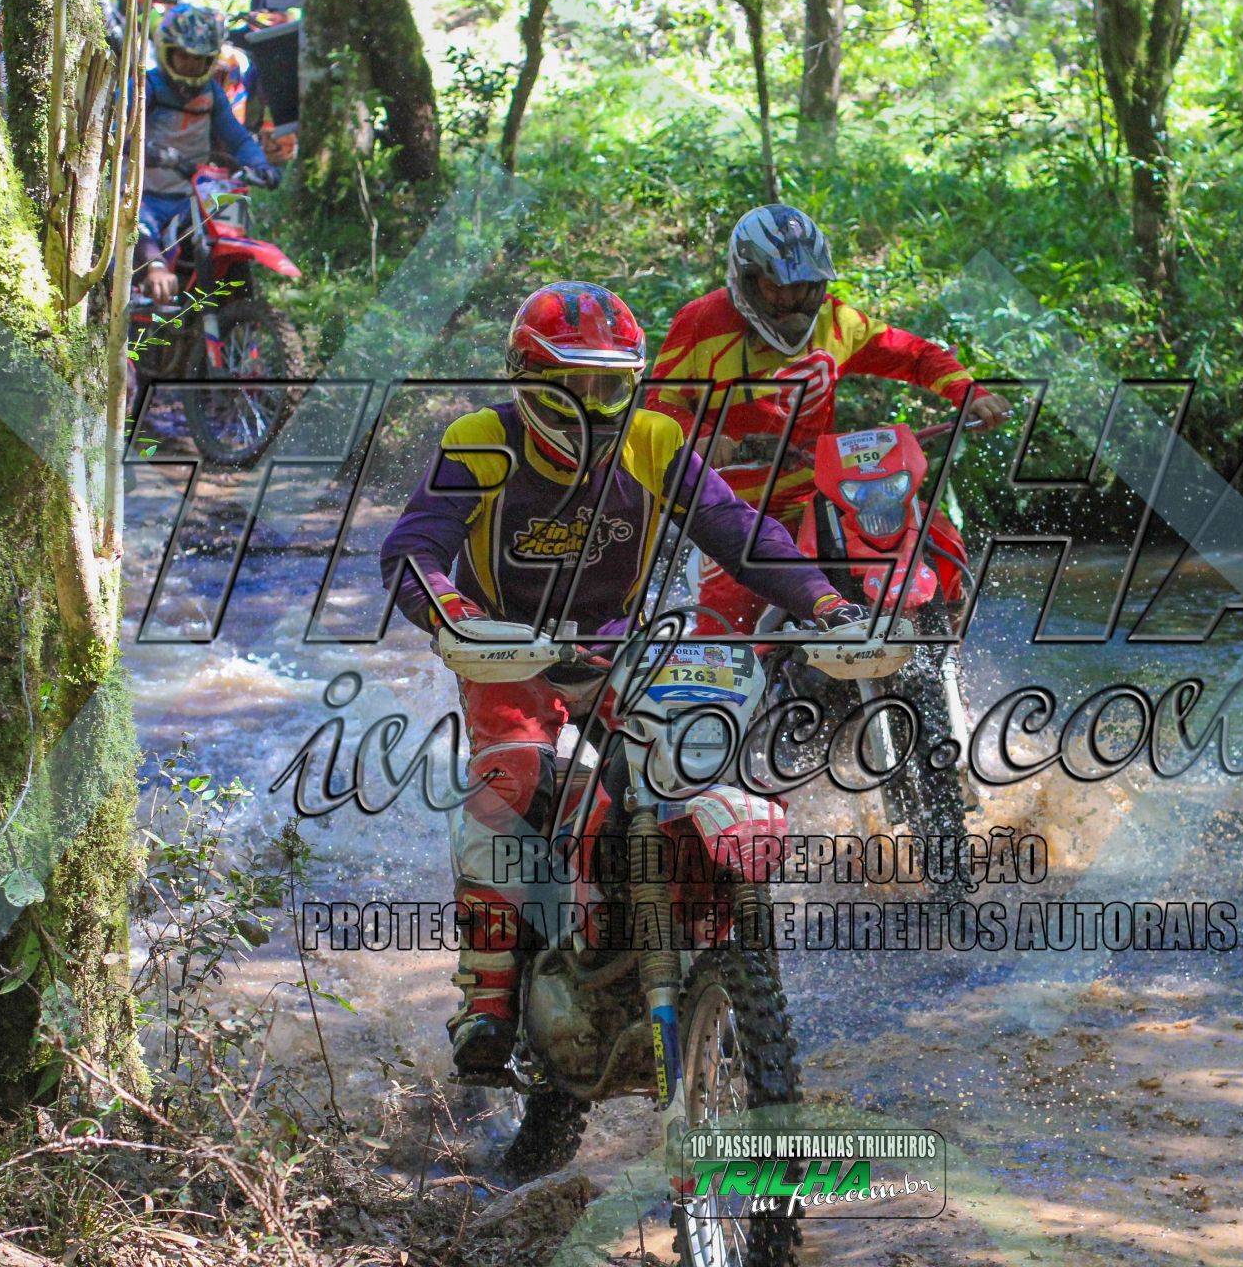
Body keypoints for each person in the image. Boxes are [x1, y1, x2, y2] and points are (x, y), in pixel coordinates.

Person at [378, 282, 862, 1076]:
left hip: (615, 644)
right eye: (571, 385)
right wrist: (456, 619)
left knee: (698, 754)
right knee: (515, 775)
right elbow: (413, 550)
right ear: (528, 382)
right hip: (507, 647)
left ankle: (712, 951)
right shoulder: (480, 440)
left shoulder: (653, 438)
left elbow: (739, 532)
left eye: (608, 386)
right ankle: (488, 997)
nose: (592, 404)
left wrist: (827, 604)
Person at [644, 204, 1013, 632]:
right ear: (746, 278)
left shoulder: (837, 322)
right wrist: (708, 438)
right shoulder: (700, 323)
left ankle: (946, 644)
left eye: (803, 287)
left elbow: (915, 354)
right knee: (729, 619)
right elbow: (658, 405)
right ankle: (719, 673)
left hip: (824, 501)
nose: (790, 301)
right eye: (776, 287)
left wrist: (969, 392)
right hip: (736, 509)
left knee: (936, 535)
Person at [133, 3, 281, 307]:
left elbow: (237, 137)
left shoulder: (211, 93)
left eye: (200, 58)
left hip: (192, 195)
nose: (191, 64)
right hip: (142, 195)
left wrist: (260, 165)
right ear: (167, 51)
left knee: (228, 222)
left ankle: (237, 303)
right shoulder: (146, 86)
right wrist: (150, 152)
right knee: (139, 232)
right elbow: (118, 133)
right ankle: (150, 280)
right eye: (184, 56)